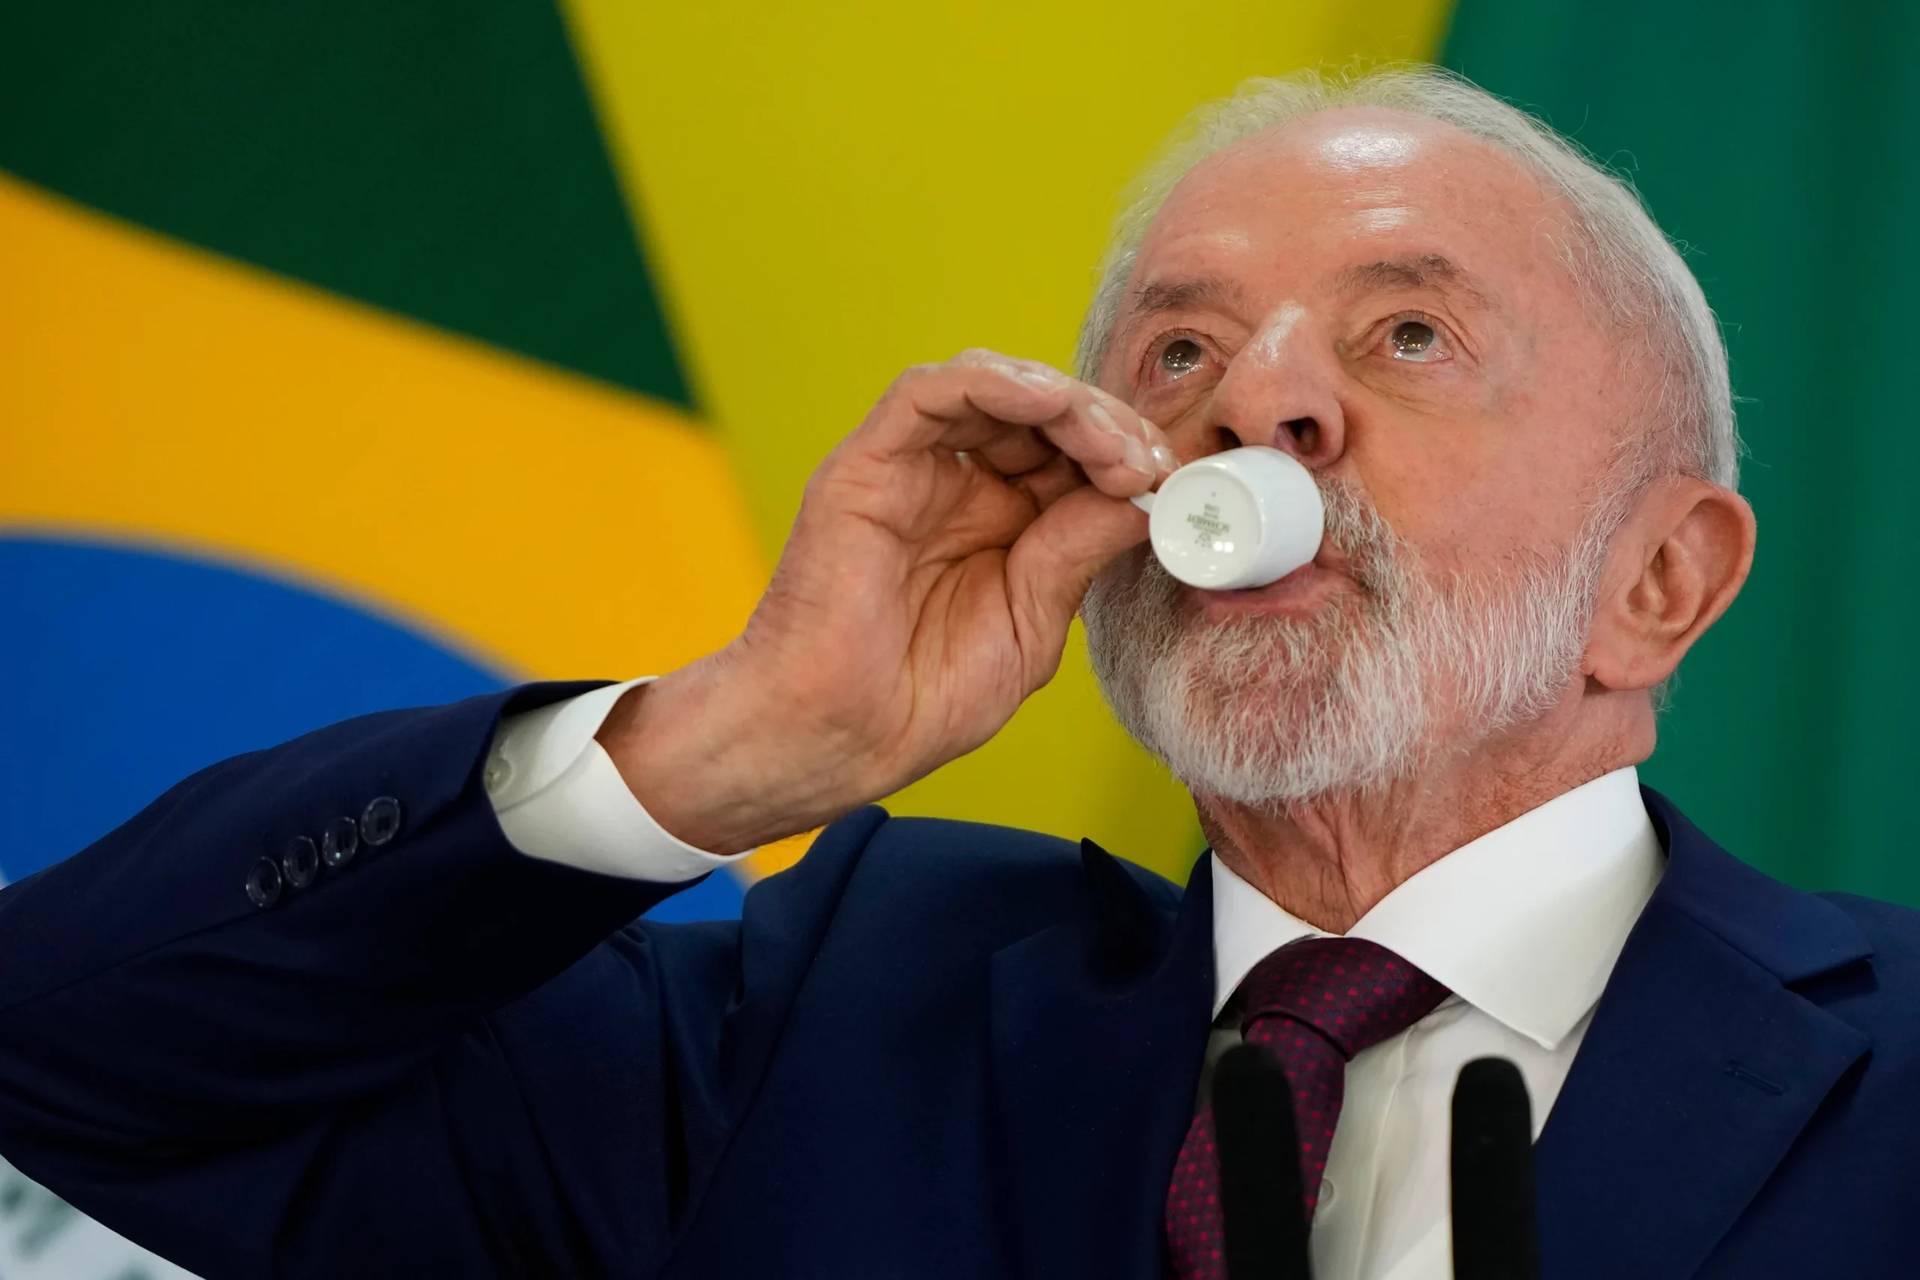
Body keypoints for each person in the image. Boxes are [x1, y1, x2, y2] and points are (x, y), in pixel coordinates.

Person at [0, 65, 1914, 1280]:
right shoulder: (823, 1024)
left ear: (1661, 580)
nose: (1258, 404)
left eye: (1406, 332)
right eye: (1177, 356)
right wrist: (727, 746)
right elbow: (68, 1053)